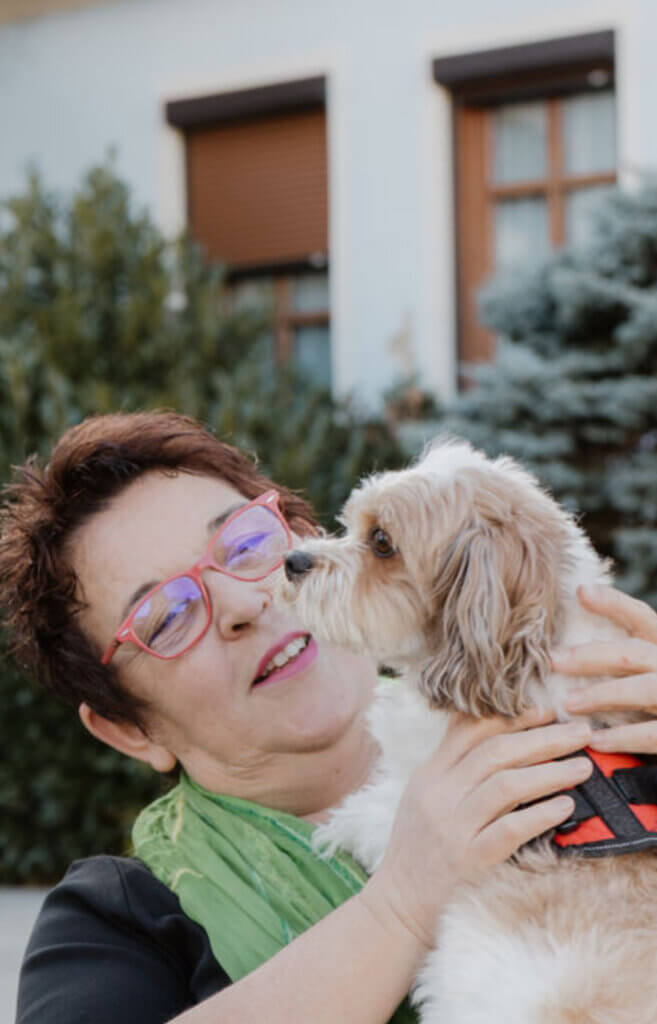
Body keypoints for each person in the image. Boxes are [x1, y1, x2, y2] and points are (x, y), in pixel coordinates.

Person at [3, 409, 657, 1024]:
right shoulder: (115, 921)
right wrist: (399, 905)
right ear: (128, 729)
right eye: (168, 616)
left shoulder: (627, 746)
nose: (244, 602)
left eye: (245, 542)